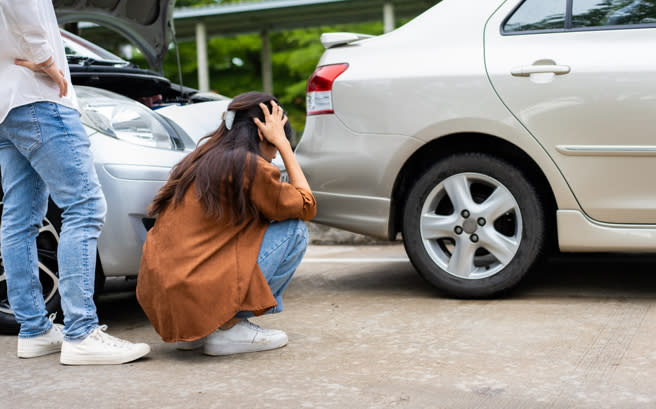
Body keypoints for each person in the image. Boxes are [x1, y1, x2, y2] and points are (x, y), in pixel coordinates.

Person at [0, 0, 150, 365]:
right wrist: (46, 58)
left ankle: (34, 329)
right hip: (37, 95)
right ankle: (82, 332)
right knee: (84, 206)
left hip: (7, 101)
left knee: (20, 219)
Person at [137, 92, 316, 356]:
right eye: (276, 144)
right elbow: (306, 204)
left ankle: (196, 332)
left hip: (163, 299)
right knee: (295, 231)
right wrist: (286, 145)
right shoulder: (249, 166)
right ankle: (229, 328)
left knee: (245, 232)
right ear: (262, 134)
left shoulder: (199, 159)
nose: (275, 154)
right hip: (195, 286)